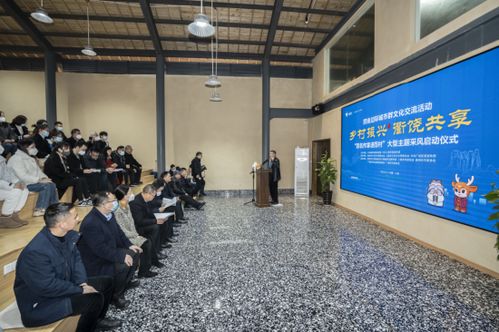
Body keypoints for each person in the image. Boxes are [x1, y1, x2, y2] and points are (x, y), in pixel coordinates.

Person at [14, 203, 121, 331]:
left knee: (107, 282)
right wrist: (80, 290)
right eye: (75, 217)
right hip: (40, 305)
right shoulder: (35, 252)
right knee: (94, 299)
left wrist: (82, 283)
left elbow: (77, 261)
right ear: (62, 224)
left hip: (62, 287)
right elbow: (48, 286)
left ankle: (97, 320)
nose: (78, 219)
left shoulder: (67, 237)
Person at [78, 192, 141, 309]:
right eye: (112, 201)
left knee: (135, 253)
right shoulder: (91, 222)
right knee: (123, 265)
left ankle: (124, 284)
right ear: (103, 204)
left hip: (110, 251)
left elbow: (119, 232)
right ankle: (115, 297)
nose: (115, 203)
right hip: (96, 260)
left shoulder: (108, 214)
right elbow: (100, 250)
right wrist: (121, 255)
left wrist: (129, 245)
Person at [114, 185, 164, 278]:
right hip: (125, 237)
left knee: (148, 240)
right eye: (129, 193)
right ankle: (144, 271)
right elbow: (122, 229)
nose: (132, 194)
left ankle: (151, 264)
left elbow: (132, 223)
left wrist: (135, 234)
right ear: (124, 195)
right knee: (147, 242)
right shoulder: (117, 210)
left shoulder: (126, 205)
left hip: (133, 233)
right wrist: (135, 235)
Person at [7, 138, 59, 217]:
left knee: (51, 184)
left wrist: (45, 178)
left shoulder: (30, 158)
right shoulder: (16, 159)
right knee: (45, 186)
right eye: (32, 147)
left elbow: (39, 172)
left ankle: (54, 208)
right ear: (25, 148)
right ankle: (39, 209)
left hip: (32, 182)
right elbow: (22, 176)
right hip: (21, 184)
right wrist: (38, 180)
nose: (35, 149)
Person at [130, 185, 171, 253]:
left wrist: (159, 216)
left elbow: (149, 213)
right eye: (153, 195)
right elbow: (139, 221)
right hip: (138, 227)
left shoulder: (145, 199)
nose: (154, 197)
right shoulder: (136, 203)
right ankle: (155, 251)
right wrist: (155, 221)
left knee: (163, 220)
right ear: (147, 193)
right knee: (155, 227)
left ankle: (161, 243)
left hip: (145, 220)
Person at [0, 144, 29, 228]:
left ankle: (13, 214)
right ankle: (5, 218)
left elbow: (8, 175)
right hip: (2, 186)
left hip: (2, 187)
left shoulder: (1, 159)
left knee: (24, 190)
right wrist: (12, 185)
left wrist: (18, 182)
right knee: (15, 191)